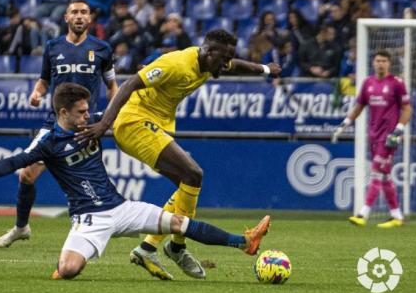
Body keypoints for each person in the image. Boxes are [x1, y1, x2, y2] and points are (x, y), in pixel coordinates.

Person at [0, 83, 272, 280]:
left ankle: (244, 242)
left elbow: (122, 107)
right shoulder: (48, 141)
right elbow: (17, 161)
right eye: (81, 112)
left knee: (178, 223)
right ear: (63, 112)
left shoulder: (94, 124)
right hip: (88, 218)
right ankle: (63, 264)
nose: (88, 116)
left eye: (88, 110)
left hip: (121, 207)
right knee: (70, 270)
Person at [75, 29, 281, 280]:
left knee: (187, 185)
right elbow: (130, 83)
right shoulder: (176, 63)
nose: (226, 63)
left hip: (153, 124)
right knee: (193, 173)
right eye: (223, 57)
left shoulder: (209, 62)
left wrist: (265, 70)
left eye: (229, 57)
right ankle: (178, 246)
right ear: (208, 51)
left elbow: (234, 65)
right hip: (133, 122)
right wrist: (104, 124)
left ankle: (148, 248)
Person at [0, 0, 119, 248]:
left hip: (85, 125)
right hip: (55, 123)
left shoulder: (102, 49)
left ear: (90, 19)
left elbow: (112, 86)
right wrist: (37, 93)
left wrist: (110, 117)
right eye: (75, 12)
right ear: (66, 18)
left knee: (88, 180)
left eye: (84, 12)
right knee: (27, 175)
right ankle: (21, 227)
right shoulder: (52, 47)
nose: (79, 16)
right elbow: (44, 80)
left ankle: (99, 227)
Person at [332, 50, 411, 228]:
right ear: (373, 63)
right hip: (373, 136)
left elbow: (407, 108)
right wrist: (345, 124)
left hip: (389, 136)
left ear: (389, 63)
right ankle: (397, 215)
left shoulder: (397, 84)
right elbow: (359, 106)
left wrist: (398, 130)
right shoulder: (368, 83)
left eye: (384, 60)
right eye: (378, 60)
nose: (380, 63)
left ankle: (363, 213)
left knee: (376, 171)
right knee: (384, 176)